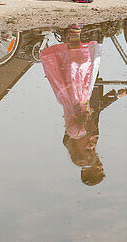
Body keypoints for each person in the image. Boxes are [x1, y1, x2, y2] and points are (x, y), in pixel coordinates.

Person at [41, 25, 104, 185]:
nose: (92, 146)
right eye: (93, 150)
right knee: (82, 67)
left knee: (76, 67)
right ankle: (76, 37)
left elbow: (82, 118)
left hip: (74, 96)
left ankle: (74, 35)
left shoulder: (74, 133)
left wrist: (90, 133)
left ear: (77, 148)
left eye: (88, 148)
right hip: (81, 97)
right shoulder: (78, 134)